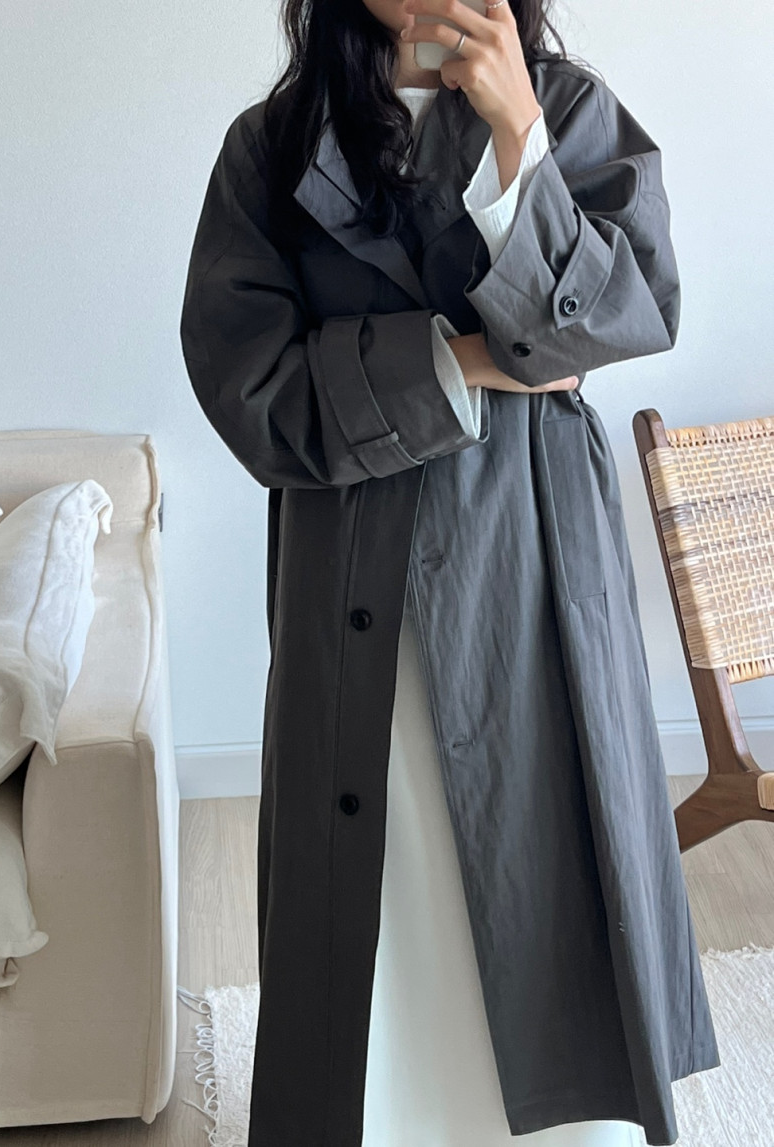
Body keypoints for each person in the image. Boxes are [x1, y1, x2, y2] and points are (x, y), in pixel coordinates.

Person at [180, 0, 721, 1143]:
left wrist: (519, 137)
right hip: (351, 578)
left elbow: (629, 313)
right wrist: (463, 360)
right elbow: (252, 390)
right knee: (380, 888)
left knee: (544, 863)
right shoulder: (271, 149)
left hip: (531, 565)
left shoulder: (567, 109)